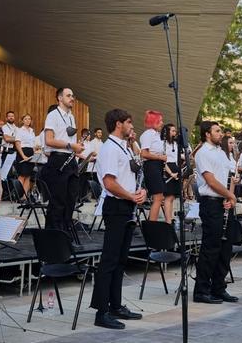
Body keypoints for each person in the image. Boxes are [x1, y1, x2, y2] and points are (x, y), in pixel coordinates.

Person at [89, 108, 145, 329]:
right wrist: (131, 195)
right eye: (129, 122)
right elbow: (110, 182)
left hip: (128, 204)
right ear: (118, 124)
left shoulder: (125, 147)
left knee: (121, 259)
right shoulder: (110, 148)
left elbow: (131, 176)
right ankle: (101, 311)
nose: (132, 126)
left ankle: (116, 304)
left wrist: (141, 193)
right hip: (116, 205)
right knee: (110, 259)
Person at [193, 121, 239, 304]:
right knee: (210, 248)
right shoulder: (203, 153)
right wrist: (230, 196)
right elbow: (211, 181)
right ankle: (201, 290)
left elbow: (230, 178)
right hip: (211, 202)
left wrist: (230, 196)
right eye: (217, 131)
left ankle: (219, 288)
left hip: (223, 201)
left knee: (225, 248)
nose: (221, 134)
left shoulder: (222, 153)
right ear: (207, 134)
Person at [42, 88, 84, 234]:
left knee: (70, 199)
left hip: (71, 160)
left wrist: (77, 147)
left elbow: (68, 139)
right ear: (59, 98)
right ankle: (53, 235)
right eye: (68, 95)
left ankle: (65, 231)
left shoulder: (71, 116)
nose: (72, 98)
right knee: (58, 201)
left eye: (73, 95)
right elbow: (49, 140)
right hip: (58, 159)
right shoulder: (53, 115)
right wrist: (70, 145)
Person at [139, 110, 167, 221]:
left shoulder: (156, 134)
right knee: (158, 198)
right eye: (160, 121)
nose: (162, 123)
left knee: (159, 197)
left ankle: (152, 223)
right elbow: (144, 153)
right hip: (152, 166)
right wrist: (160, 157)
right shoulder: (148, 134)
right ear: (153, 122)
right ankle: (152, 225)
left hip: (157, 166)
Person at [160, 123, 182, 224]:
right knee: (168, 197)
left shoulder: (176, 143)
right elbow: (163, 161)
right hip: (168, 169)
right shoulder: (163, 143)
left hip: (175, 168)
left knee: (172, 197)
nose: (175, 133)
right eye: (172, 131)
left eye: (175, 131)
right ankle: (168, 221)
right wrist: (170, 173)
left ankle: (171, 218)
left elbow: (176, 157)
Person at [13, 113, 37, 197]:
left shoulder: (32, 131)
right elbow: (17, 143)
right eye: (26, 119)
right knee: (22, 175)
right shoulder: (19, 130)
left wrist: (35, 155)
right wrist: (23, 156)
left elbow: (33, 144)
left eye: (29, 119)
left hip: (30, 153)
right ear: (22, 120)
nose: (28, 120)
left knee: (28, 176)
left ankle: (25, 197)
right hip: (22, 152)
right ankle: (18, 196)